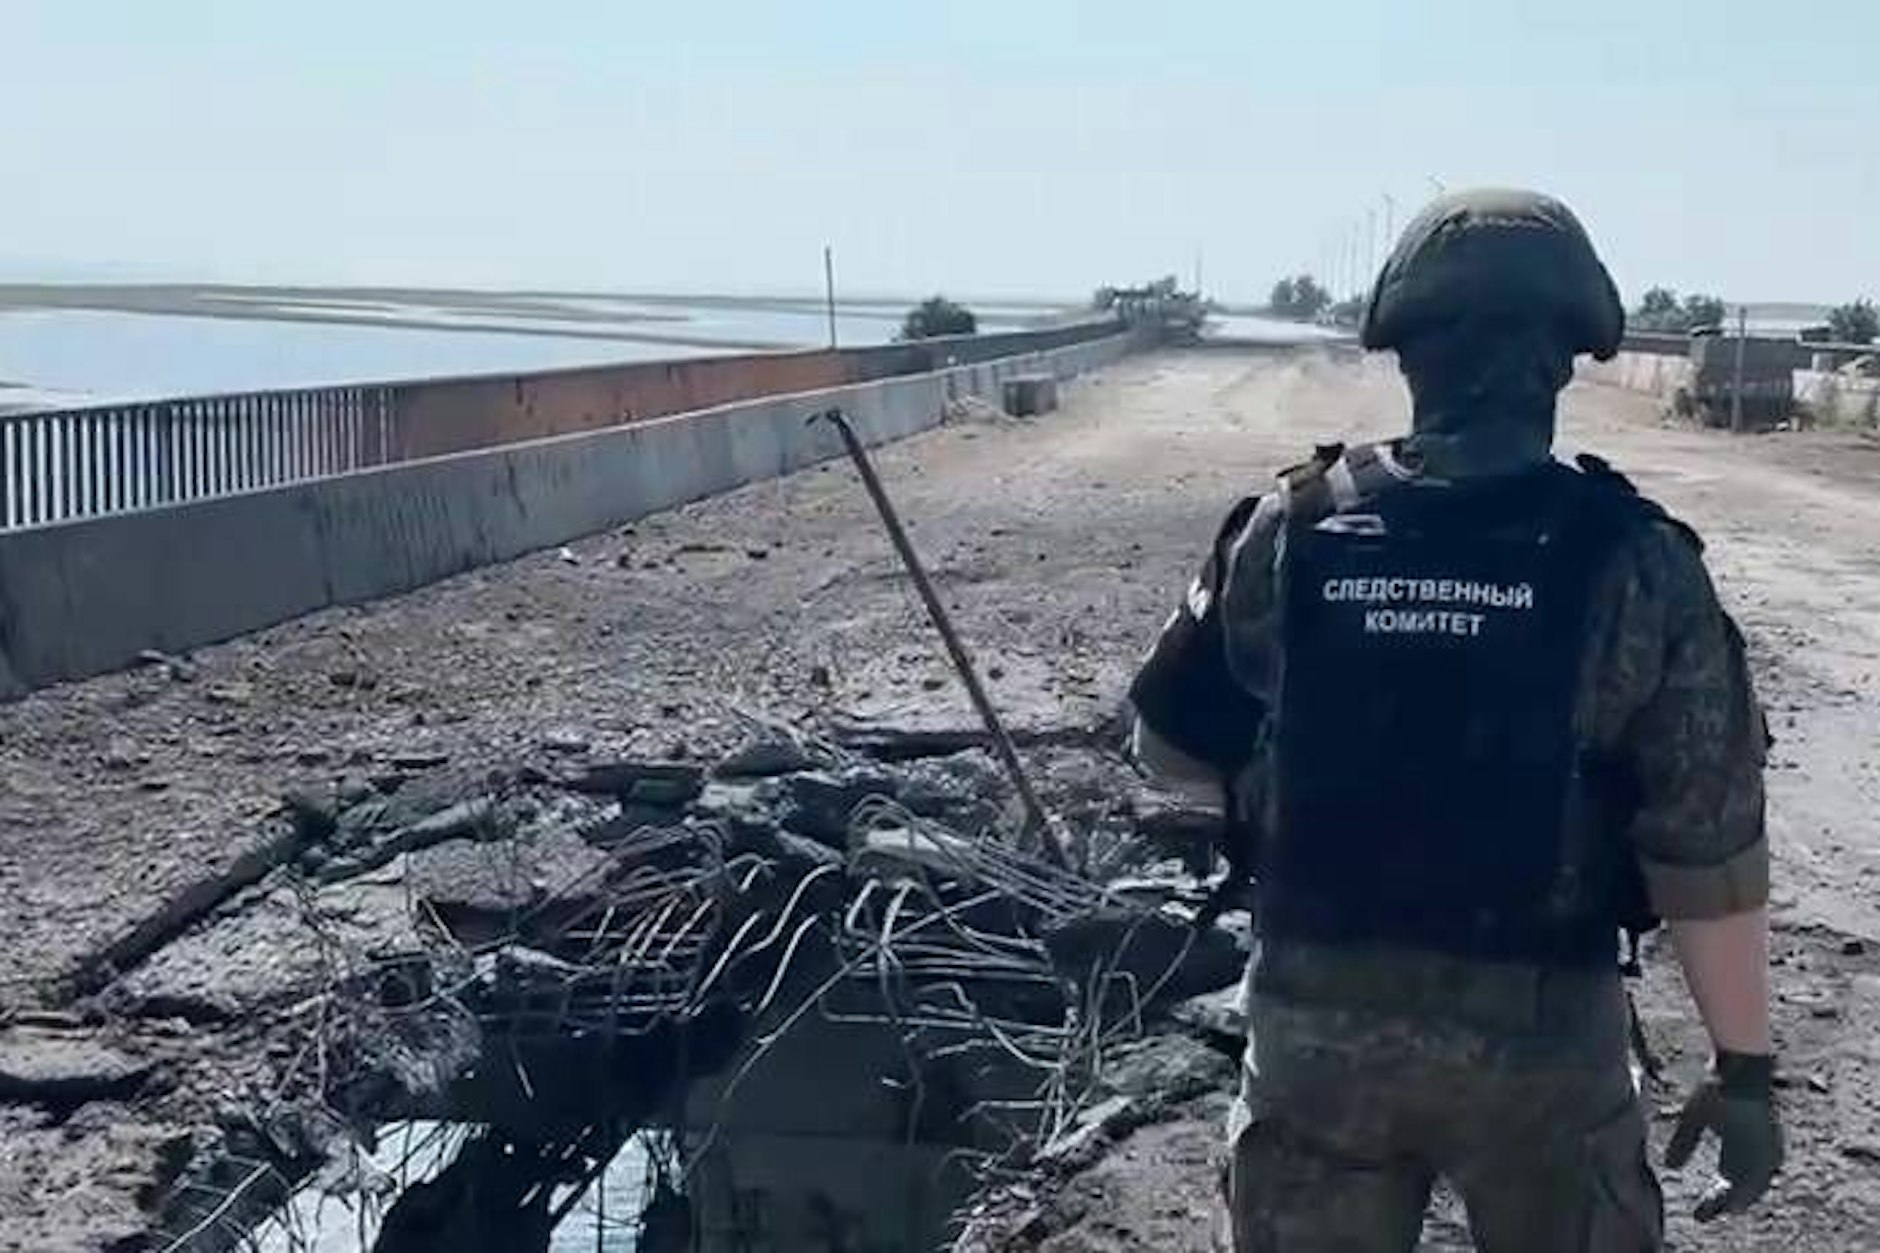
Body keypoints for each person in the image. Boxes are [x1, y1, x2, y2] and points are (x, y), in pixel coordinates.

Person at [1128, 188, 1781, 1251]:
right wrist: (1742, 1071)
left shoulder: (1290, 528)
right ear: (1562, 361)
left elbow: (1166, 746)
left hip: (1314, 1036)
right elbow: (1705, 842)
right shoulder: (1637, 560)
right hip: (1546, 1052)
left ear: (1406, 355)